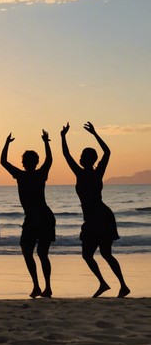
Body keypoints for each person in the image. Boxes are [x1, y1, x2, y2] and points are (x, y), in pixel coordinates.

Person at [61, 122, 130, 298]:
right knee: (96, 255)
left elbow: (67, 155)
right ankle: (112, 284)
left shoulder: (83, 173)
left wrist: (64, 137)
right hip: (99, 216)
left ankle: (118, 285)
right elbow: (106, 153)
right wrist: (94, 134)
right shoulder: (94, 173)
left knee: (98, 254)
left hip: (98, 217)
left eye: (83, 155)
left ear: (86, 159)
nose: (80, 157)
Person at [1, 130, 55, 298]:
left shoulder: (21, 175)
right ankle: (44, 287)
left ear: (25, 163)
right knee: (39, 253)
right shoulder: (39, 174)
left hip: (36, 218)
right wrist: (46, 142)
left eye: (25, 160)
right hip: (43, 217)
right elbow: (49, 160)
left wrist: (7, 143)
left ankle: (39, 286)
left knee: (29, 251)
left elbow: (3, 161)